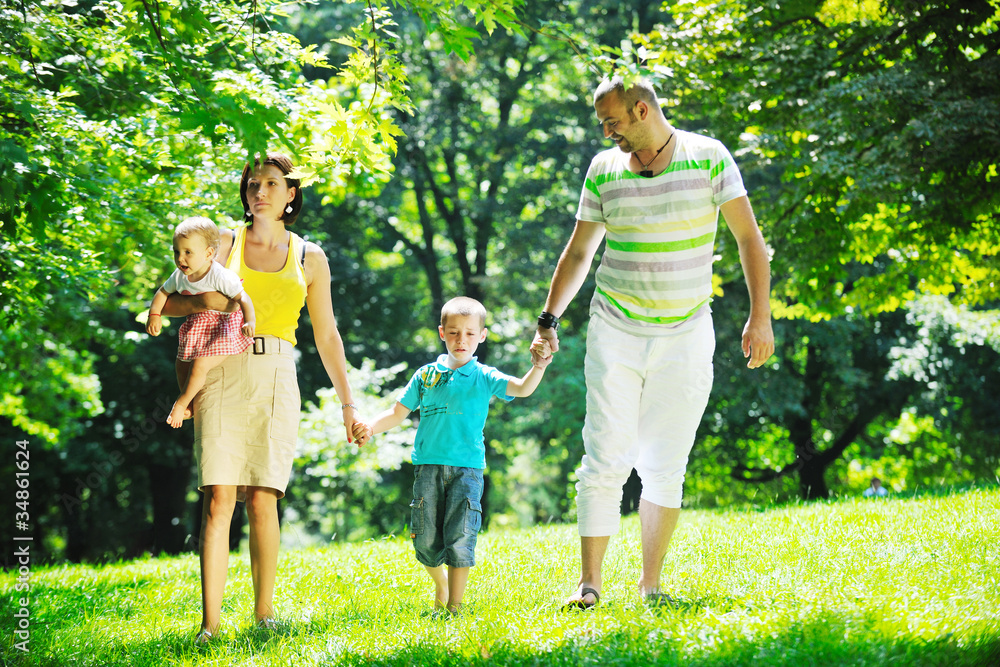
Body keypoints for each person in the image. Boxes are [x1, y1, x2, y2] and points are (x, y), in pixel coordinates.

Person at [532, 76, 775, 608]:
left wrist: (761, 316)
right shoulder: (603, 169)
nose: (606, 132)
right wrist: (549, 318)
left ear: (642, 110)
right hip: (615, 326)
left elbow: (748, 238)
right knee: (604, 454)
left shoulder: (709, 157)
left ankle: (651, 586)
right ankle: (589, 585)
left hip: (686, 331)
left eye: (612, 121)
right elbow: (578, 255)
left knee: (666, 463)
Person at [158, 153, 361, 643]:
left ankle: (263, 613)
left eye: (272, 184)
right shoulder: (221, 243)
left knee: (265, 499)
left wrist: (348, 404)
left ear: (291, 194)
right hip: (220, 369)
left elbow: (327, 335)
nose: (260, 192)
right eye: (253, 184)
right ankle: (210, 625)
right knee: (218, 498)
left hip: (276, 375)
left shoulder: (310, 257)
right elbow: (168, 300)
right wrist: (206, 301)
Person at [352, 297, 552, 614]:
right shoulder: (426, 375)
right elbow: (396, 413)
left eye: (470, 334)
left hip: (467, 470)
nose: (462, 340)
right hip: (427, 468)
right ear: (442, 333)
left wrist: (538, 365)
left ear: (482, 336)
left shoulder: (485, 376)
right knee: (424, 540)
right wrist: (370, 428)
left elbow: (523, 388)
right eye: (455, 332)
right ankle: (441, 584)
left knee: (460, 536)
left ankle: (454, 608)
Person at [146, 217, 256, 428]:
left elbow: (243, 298)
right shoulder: (179, 275)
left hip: (224, 327)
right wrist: (154, 314)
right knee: (181, 362)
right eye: (176, 251)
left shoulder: (219, 275)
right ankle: (189, 401)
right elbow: (162, 292)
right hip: (199, 324)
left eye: (188, 252)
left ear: (208, 254)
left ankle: (181, 403)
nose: (180, 258)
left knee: (200, 363)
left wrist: (249, 320)